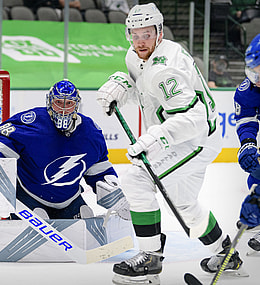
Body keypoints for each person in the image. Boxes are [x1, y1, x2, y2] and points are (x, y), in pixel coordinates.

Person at [96, 3, 243, 284]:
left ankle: (150, 259)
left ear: (159, 33)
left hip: (194, 139)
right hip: (185, 135)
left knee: (137, 179)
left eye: (147, 34)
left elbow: (195, 117)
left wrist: (155, 138)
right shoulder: (135, 56)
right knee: (185, 204)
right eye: (134, 34)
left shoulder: (166, 70)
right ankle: (226, 254)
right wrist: (121, 83)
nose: (140, 41)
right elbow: (140, 80)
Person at [0, 79, 130, 221]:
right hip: (30, 196)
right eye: (58, 103)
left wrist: (115, 197)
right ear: (49, 102)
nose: (63, 110)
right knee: (39, 217)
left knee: (86, 216)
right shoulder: (32, 122)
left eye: (68, 103)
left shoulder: (90, 132)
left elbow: (99, 171)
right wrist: (1, 188)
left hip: (68, 200)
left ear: (76, 105)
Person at [234, 33, 260, 252]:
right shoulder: (249, 90)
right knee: (257, 171)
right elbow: (246, 119)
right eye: (253, 71)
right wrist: (248, 143)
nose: (256, 78)